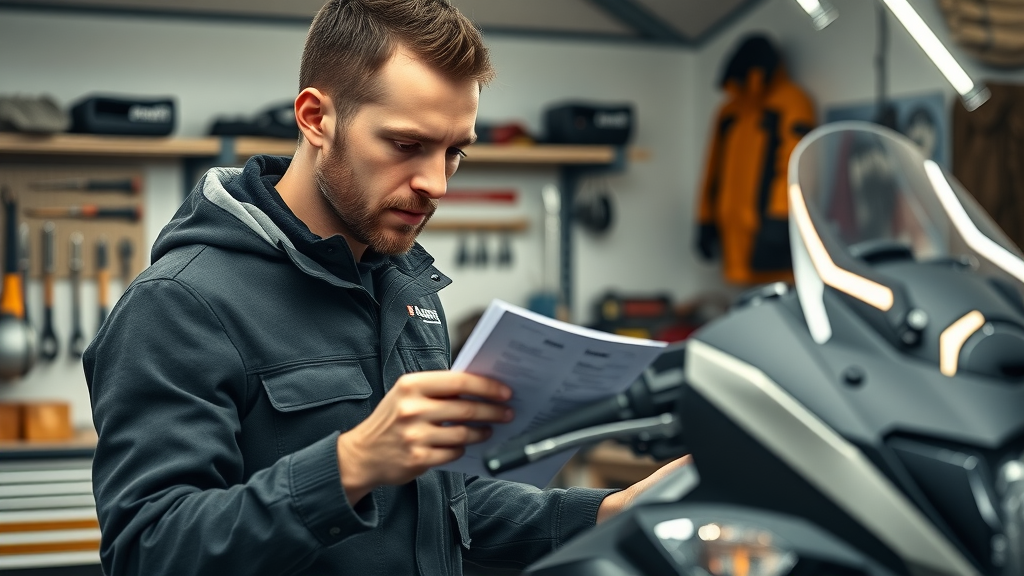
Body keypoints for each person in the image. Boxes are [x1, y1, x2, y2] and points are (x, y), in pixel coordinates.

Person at [84, 1, 687, 574]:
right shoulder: (180, 304)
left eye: (455, 152)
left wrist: (607, 513)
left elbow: (441, 504)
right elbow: (149, 550)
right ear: (317, 118)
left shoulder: (407, 286)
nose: (436, 183)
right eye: (407, 145)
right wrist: (349, 466)